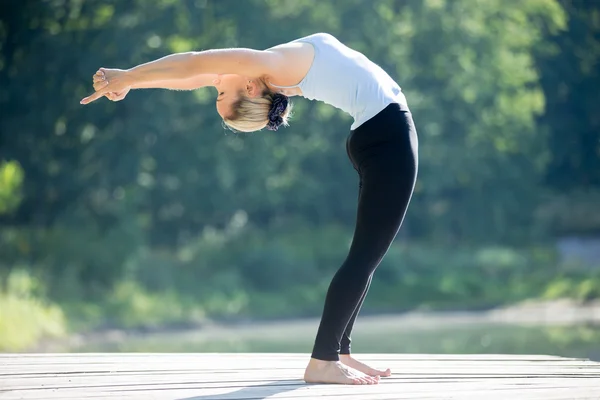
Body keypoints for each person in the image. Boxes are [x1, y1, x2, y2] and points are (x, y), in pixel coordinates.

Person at [81, 32, 418, 385]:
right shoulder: (271, 68)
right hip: (387, 136)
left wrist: (131, 80)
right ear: (253, 89)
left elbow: (194, 72)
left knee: (365, 257)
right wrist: (129, 78)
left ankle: (339, 352)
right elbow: (194, 64)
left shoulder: (272, 70)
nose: (215, 87)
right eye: (222, 94)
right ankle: (323, 361)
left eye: (219, 93)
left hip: (377, 135)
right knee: (364, 258)